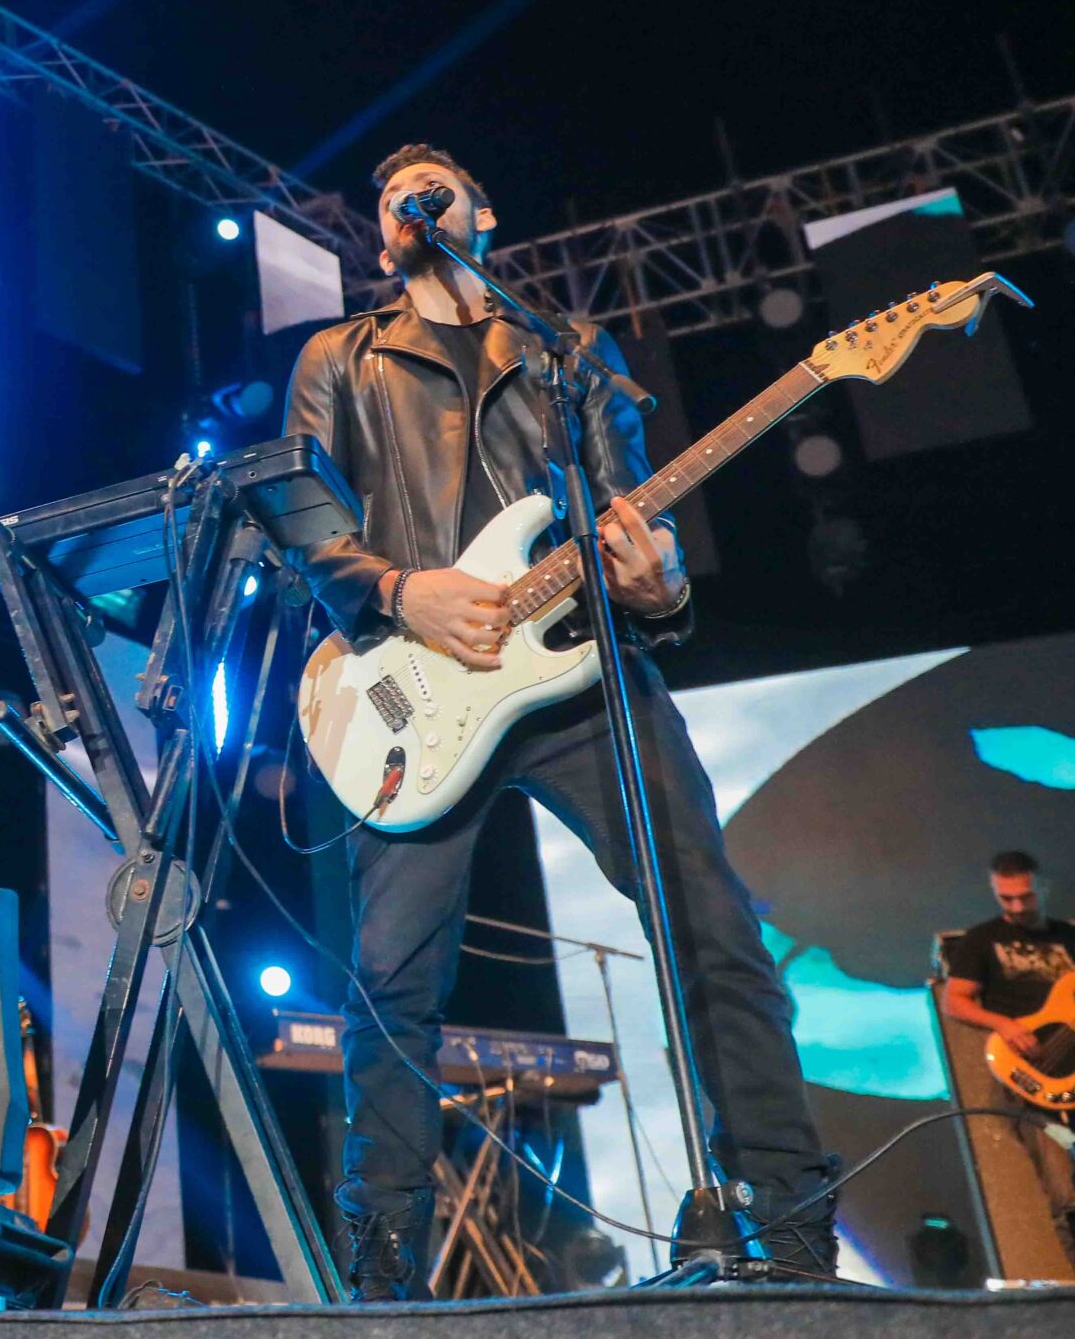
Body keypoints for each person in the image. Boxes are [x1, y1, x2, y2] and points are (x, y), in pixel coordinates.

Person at [281, 145, 838, 1299]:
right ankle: (381, 1263)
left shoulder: (570, 351)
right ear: (381, 234)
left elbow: (628, 517)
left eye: (433, 187)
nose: (410, 202)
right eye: (393, 198)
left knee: (715, 932)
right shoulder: (338, 356)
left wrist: (657, 586)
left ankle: (789, 1226)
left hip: (582, 678)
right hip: (414, 691)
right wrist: (399, 590)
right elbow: (301, 520)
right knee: (389, 978)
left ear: (481, 213)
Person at [939, 849, 1075, 1266]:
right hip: (1034, 1073)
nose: (1018, 906)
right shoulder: (982, 940)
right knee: (1066, 1193)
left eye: (1026, 896)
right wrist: (1004, 1024)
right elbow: (954, 1001)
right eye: (1006, 898)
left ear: (1043, 887)